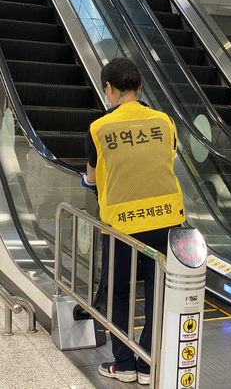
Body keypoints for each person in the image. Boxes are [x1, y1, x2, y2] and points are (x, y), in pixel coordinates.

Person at [82, 58, 185, 384]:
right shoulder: (165, 122)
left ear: (108, 89)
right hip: (166, 220)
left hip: (121, 225)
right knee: (159, 292)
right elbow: (165, 157)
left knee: (119, 293)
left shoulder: (99, 128)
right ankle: (148, 361)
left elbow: (92, 178)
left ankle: (125, 363)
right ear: (140, 87)